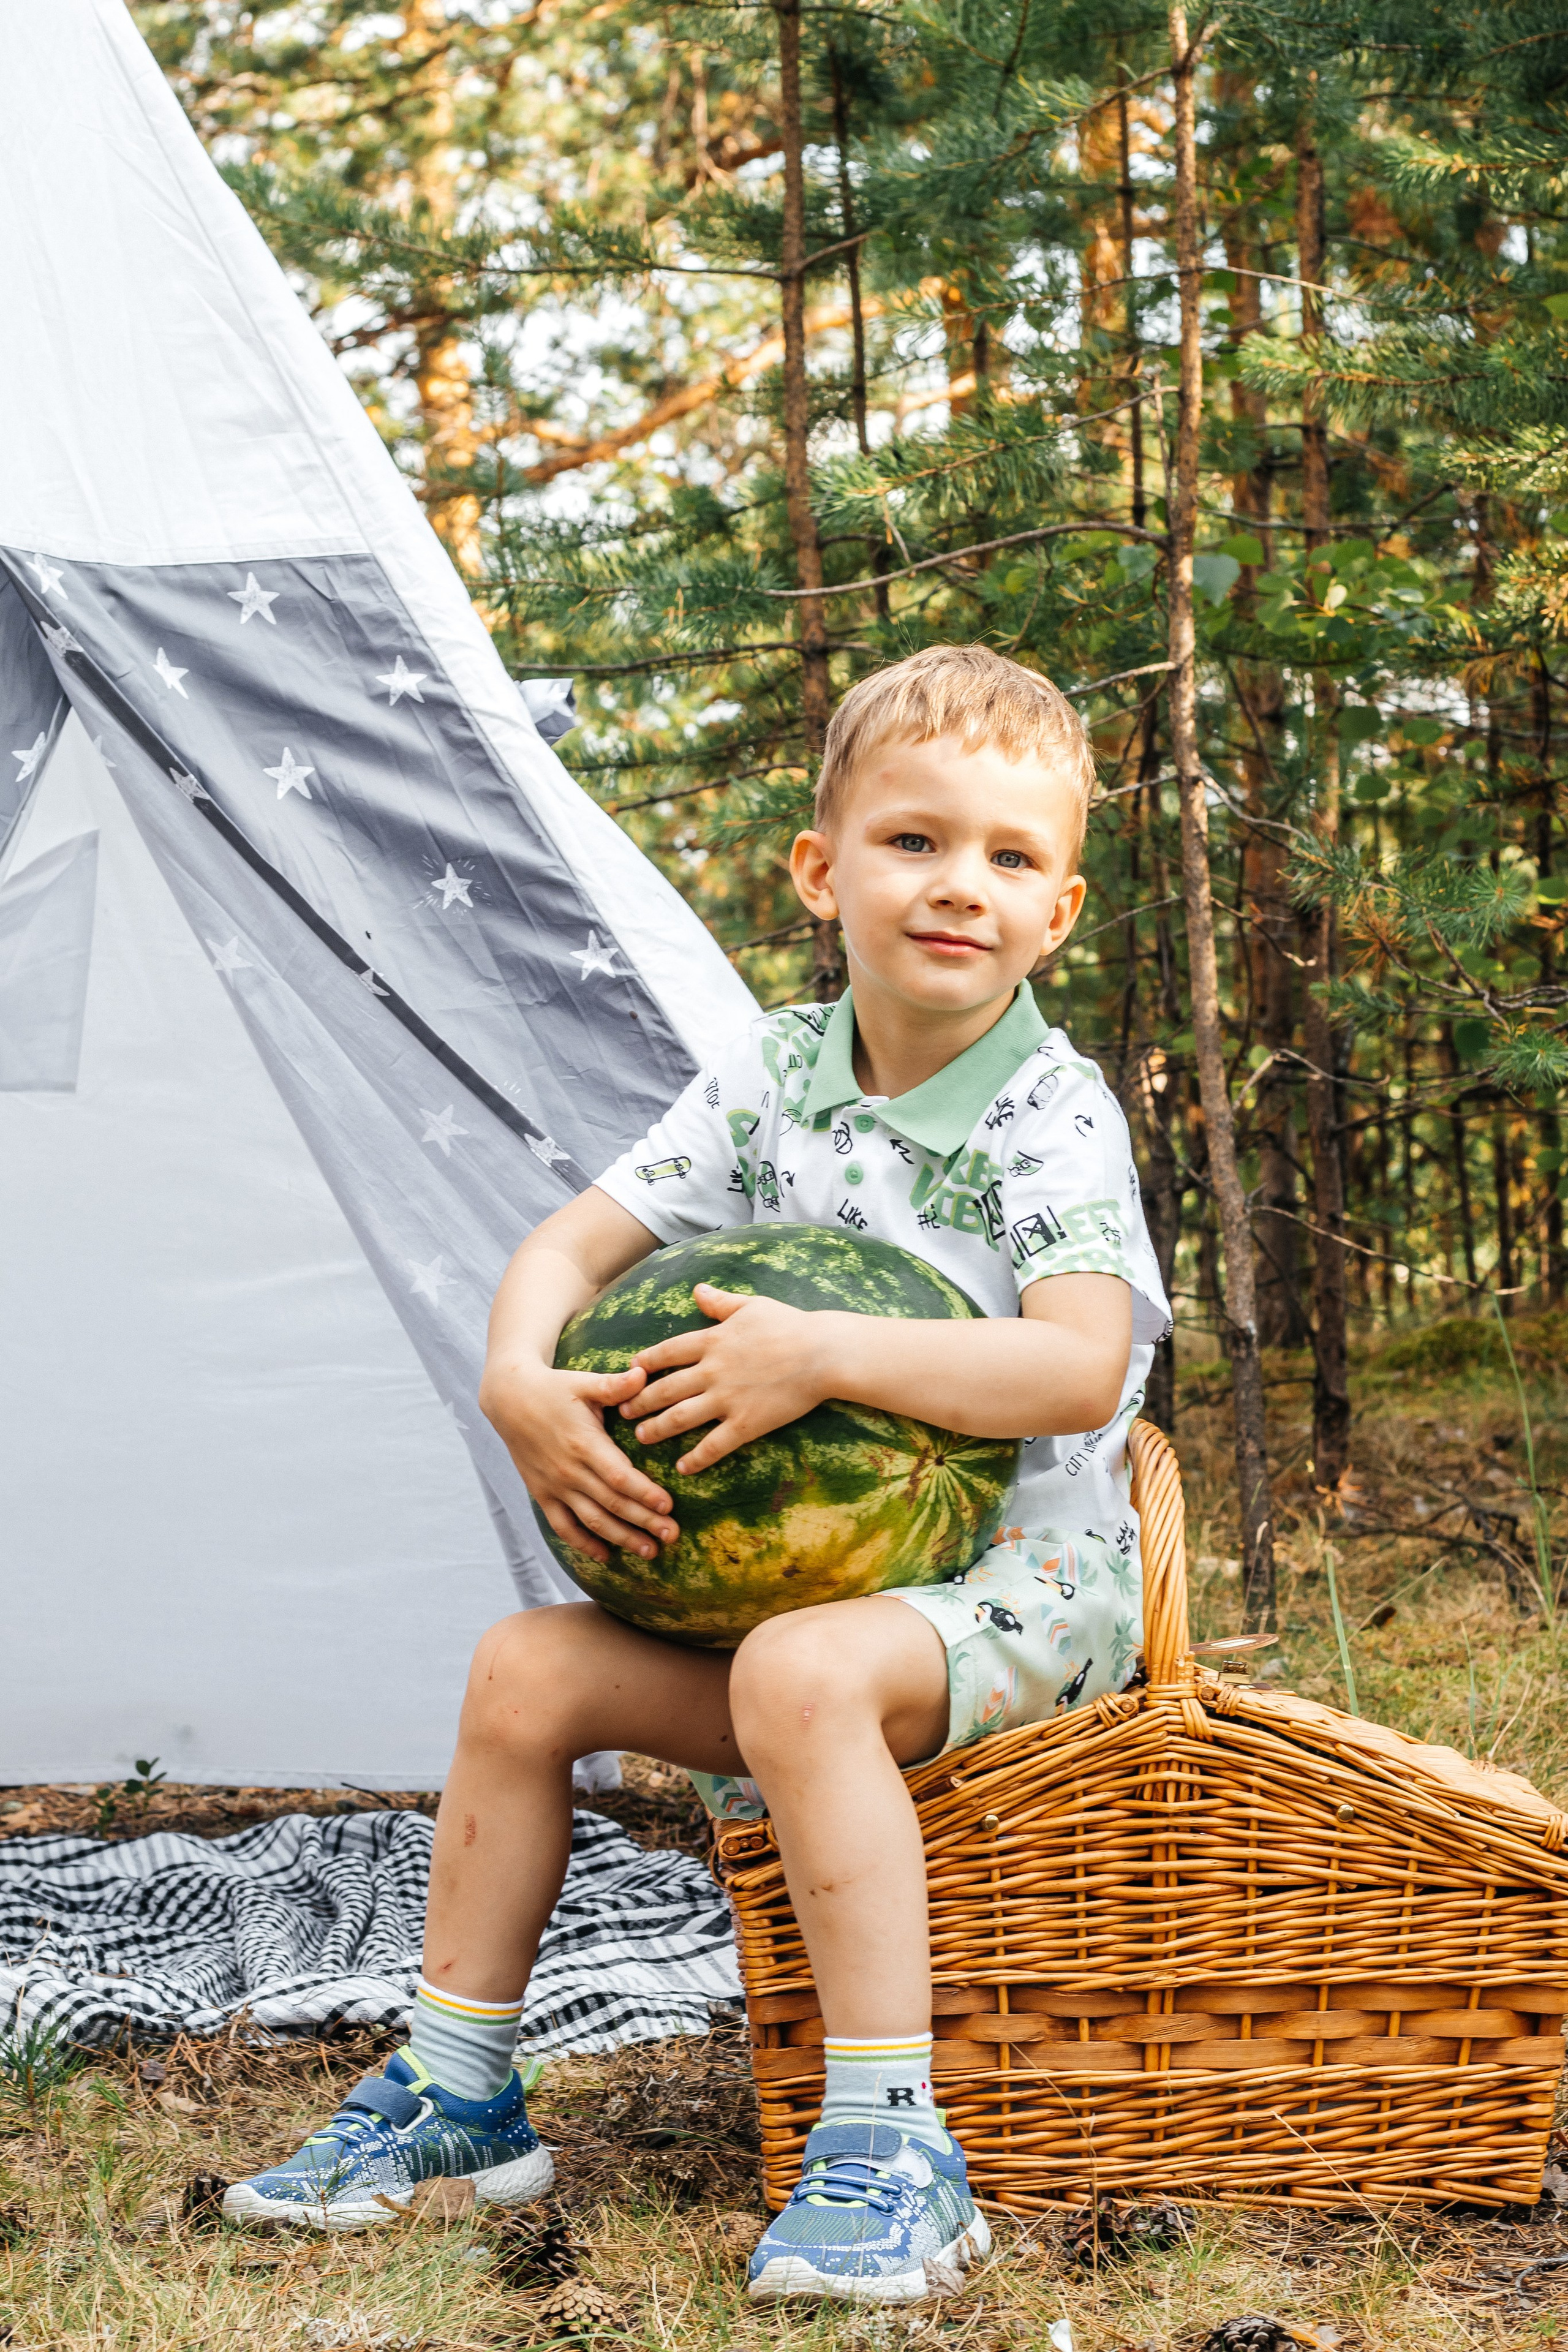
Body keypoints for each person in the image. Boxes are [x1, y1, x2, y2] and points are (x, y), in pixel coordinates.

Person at [224, 643, 1172, 2304]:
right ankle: (460, 2095)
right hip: (809, 1590)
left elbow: (1078, 1365)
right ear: (823, 871)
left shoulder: (1047, 1114)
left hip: (1020, 1588)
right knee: (525, 1669)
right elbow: (575, 1242)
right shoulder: (774, 1075)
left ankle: (894, 2147)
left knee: (803, 1676)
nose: (962, 887)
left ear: (1061, 911)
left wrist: (822, 1352)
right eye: (915, 841)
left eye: (1011, 859)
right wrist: (519, 1377)